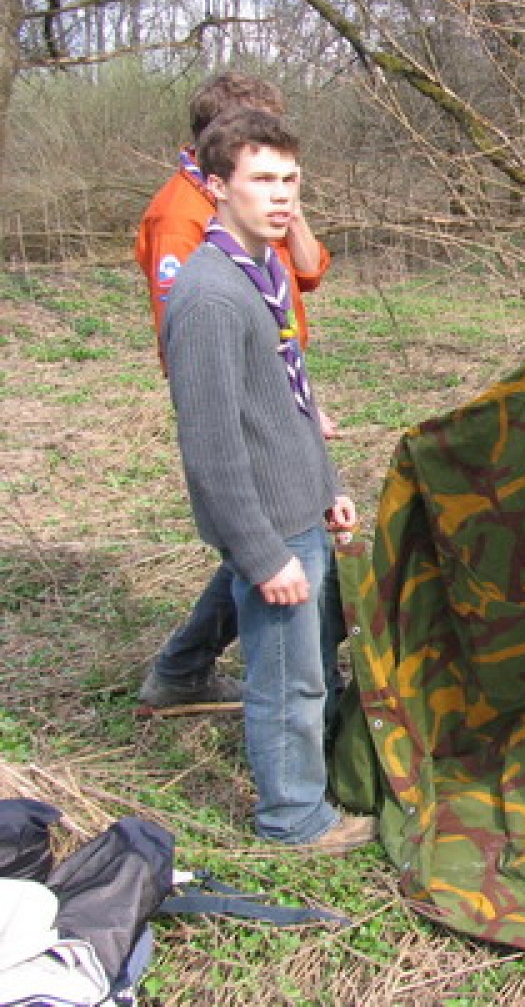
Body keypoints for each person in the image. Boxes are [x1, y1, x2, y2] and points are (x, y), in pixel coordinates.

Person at [161, 107, 370, 849]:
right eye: (261, 180)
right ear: (217, 186)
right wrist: (261, 554)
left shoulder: (263, 272)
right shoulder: (210, 297)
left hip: (299, 504)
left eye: (290, 180)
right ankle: (293, 817)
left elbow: (290, 403)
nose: (281, 197)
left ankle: (316, 781)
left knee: (313, 662)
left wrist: (327, 484)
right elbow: (212, 447)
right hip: (271, 527)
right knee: (288, 679)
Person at [136, 73, 336, 710]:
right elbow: (191, 338)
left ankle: (182, 671)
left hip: (278, 380)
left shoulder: (263, 205)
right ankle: (183, 671)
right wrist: (259, 404)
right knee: (261, 546)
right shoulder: (181, 215)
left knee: (274, 546)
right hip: (235, 390)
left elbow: (308, 270)